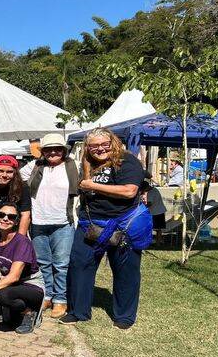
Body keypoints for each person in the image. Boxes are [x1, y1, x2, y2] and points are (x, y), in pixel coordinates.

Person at [62, 128, 151, 330]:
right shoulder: (88, 162)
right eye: (94, 146)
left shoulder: (127, 161)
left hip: (123, 224)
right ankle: (78, 311)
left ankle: (125, 316)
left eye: (104, 144)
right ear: (88, 147)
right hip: (91, 223)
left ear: (113, 142)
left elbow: (129, 191)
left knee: (125, 270)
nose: (99, 149)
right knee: (79, 264)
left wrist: (92, 185)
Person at [19, 133, 79, 319]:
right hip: (38, 222)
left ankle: (61, 299)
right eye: (48, 149)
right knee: (43, 263)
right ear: (42, 151)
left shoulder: (73, 166)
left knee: (61, 264)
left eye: (57, 148)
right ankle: (47, 295)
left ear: (64, 150)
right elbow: (18, 178)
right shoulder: (35, 166)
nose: (53, 152)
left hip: (63, 222)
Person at [0, 203, 45, 334]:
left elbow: (14, 277)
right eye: (1, 215)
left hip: (30, 286)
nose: (5, 219)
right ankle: (7, 313)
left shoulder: (22, 242)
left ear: (16, 221)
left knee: (2, 294)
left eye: (11, 217)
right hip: (10, 285)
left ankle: (28, 312)